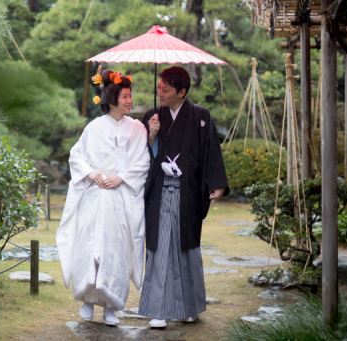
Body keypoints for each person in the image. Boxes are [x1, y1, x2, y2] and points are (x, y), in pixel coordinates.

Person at [56, 71, 151, 326]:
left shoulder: (137, 128)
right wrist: (93, 173)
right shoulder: (94, 128)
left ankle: (111, 306)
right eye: (125, 96)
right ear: (112, 99)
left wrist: (121, 178)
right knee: (91, 249)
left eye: (131, 96)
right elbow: (76, 156)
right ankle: (87, 300)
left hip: (120, 199)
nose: (130, 100)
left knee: (116, 251)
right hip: (95, 198)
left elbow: (143, 162)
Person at [138, 66, 229, 328]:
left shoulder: (201, 115)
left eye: (165, 89)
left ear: (182, 92)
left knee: (187, 249)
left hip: (188, 193)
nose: (160, 93)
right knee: (160, 249)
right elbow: (143, 157)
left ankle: (190, 307)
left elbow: (211, 150)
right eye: (159, 88)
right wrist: (152, 134)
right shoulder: (151, 116)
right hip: (160, 193)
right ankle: (159, 309)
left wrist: (218, 184)